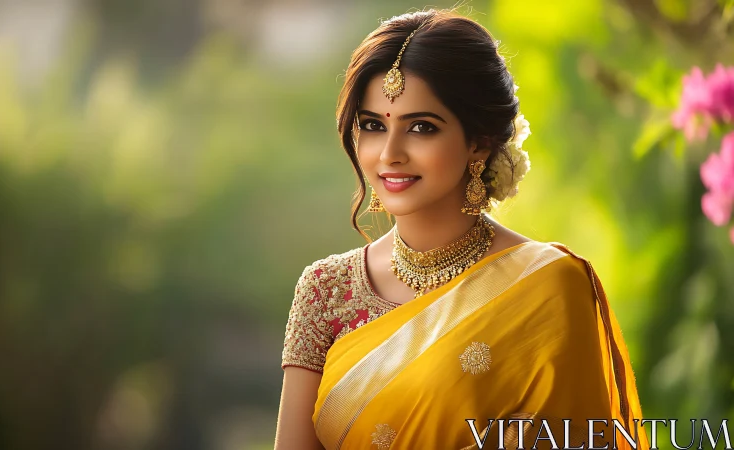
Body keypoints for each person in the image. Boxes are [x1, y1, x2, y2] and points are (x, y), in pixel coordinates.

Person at [274, 9, 648, 450]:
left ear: (479, 141)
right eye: (373, 125)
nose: (389, 154)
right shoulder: (325, 290)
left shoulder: (547, 286)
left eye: (421, 128)